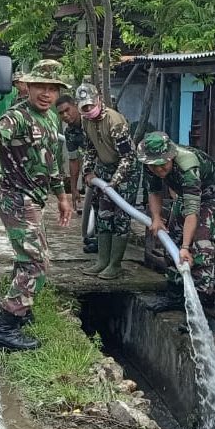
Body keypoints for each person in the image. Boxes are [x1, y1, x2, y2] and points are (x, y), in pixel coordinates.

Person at [0, 60, 73, 351]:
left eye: (52, 89)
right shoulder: (18, 117)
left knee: (28, 258)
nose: (46, 94)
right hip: (17, 198)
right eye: (40, 86)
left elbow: (51, 164)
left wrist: (62, 198)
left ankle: (21, 308)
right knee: (37, 262)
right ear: (27, 86)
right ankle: (6, 328)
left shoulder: (51, 118)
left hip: (35, 199)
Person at [138, 131, 215, 301]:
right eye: (154, 166)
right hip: (185, 195)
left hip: (212, 196)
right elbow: (153, 190)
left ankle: (200, 299)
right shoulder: (149, 164)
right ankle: (175, 293)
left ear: (171, 156)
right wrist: (156, 217)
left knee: (200, 245)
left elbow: (192, 211)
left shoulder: (188, 165)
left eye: (163, 164)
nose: (159, 169)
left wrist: (185, 246)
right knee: (171, 238)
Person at [78, 82, 141, 280]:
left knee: (121, 217)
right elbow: (89, 149)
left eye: (90, 105)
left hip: (125, 172)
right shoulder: (86, 121)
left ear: (98, 100)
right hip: (103, 170)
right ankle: (102, 261)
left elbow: (128, 158)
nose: (88, 110)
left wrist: (114, 183)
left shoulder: (115, 122)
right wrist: (87, 171)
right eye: (84, 107)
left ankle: (115, 264)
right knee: (103, 215)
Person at [56, 94, 98, 253]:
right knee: (97, 204)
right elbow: (74, 160)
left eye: (67, 110)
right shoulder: (70, 132)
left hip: (112, 167)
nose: (65, 115)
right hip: (92, 173)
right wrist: (73, 189)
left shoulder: (92, 121)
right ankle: (98, 241)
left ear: (76, 106)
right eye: (61, 113)